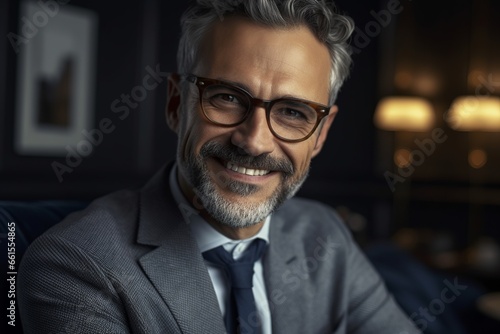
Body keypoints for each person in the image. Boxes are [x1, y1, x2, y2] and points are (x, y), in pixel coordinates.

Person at [19, 0, 419, 333]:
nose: (254, 140)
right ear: (177, 104)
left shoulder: (324, 236)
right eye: (227, 97)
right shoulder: (74, 267)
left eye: (293, 112)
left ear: (320, 133)